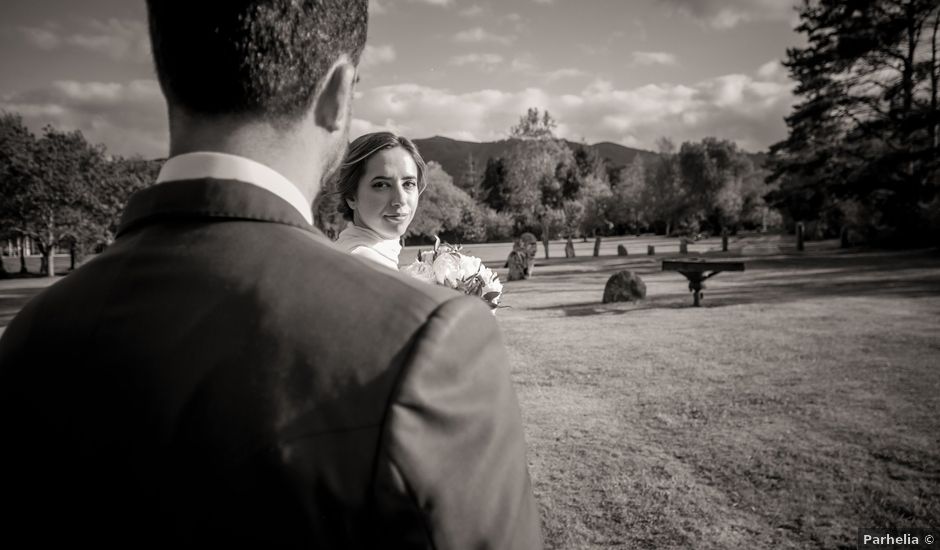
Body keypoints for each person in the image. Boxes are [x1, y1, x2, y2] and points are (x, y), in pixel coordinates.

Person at [0, 1, 543, 548]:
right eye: (380, 183)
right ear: (339, 94)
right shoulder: (430, 337)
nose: (398, 197)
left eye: (407, 185)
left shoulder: (31, 335)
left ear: (168, 78)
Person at [333, 132, 427, 270]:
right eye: (381, 185)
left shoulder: (351, 250)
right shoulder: (366, 263)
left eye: (408, 184)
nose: (400, 200)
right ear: (351, 197)